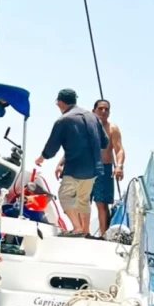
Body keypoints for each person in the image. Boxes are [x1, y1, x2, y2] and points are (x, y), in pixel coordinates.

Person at [35, 88, 108, 233]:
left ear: (60, 102)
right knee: (83, 199)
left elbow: (51, 147)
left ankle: (77, 228)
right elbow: (104, 142)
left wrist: (41, 158)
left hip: (74, 168)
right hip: (93, 169)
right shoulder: (93, 117)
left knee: (65, 196)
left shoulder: (63, 120)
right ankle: (85, 231)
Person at [55, 99, 124, 236]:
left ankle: (104, 235)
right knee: (81, 200)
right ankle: (82, 231)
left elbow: (119, 150)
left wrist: (119, 166)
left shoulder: (112, 129)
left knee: (102, 203)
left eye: (106, 109)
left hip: (104, 168)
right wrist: (61, 163)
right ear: (94, 111)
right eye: (100, 109)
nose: (103, 111)